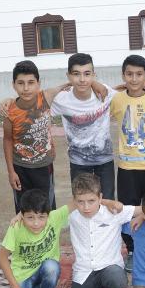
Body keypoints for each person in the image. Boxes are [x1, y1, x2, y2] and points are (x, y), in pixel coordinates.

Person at [109, 55, 145, 273]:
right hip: (127, 167)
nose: (134, 78)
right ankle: (131, 250)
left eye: (139, 74)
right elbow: (101, 95)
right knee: (128, 210)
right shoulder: (117, 99)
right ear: (123, 75)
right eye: (129, 74)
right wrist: (119, 87)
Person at [2, 60, 69, 212]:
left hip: (44, 166)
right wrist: (11, 172)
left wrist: (96, 85)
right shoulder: (9, 112)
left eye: (31, 82)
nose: (26, 88)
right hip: (21, 168)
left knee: (47, 208)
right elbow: (7, 139)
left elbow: (69, 84)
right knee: (23, 210)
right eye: (21, 83)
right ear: (13, 85)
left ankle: (48, 236)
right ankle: (25, 236)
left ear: (38, 83)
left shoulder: (46, 97)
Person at [49, 53, 118, 199]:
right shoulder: (62, 99)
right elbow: (33, 99)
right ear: (68, 76)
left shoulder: (105, 93)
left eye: (87, 74)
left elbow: (130, 90)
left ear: (94, 75)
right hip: (78, 162)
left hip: (104, 160)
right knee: (82, 203)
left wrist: (95, 83)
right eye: (76, 74)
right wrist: (10, 101)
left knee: (107, 201)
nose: (82, 79)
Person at [0, 189, 68, 288]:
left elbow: (77, 202)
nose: (36, 223)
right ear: (22, 216)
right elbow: (2, 257)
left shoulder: (55, 217)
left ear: (48, 215)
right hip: (23, 275)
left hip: (45, 269)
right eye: (30, 217)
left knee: (51, 267)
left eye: (42, 217)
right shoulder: (16, 227)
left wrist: (108, 202)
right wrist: (15, 286)